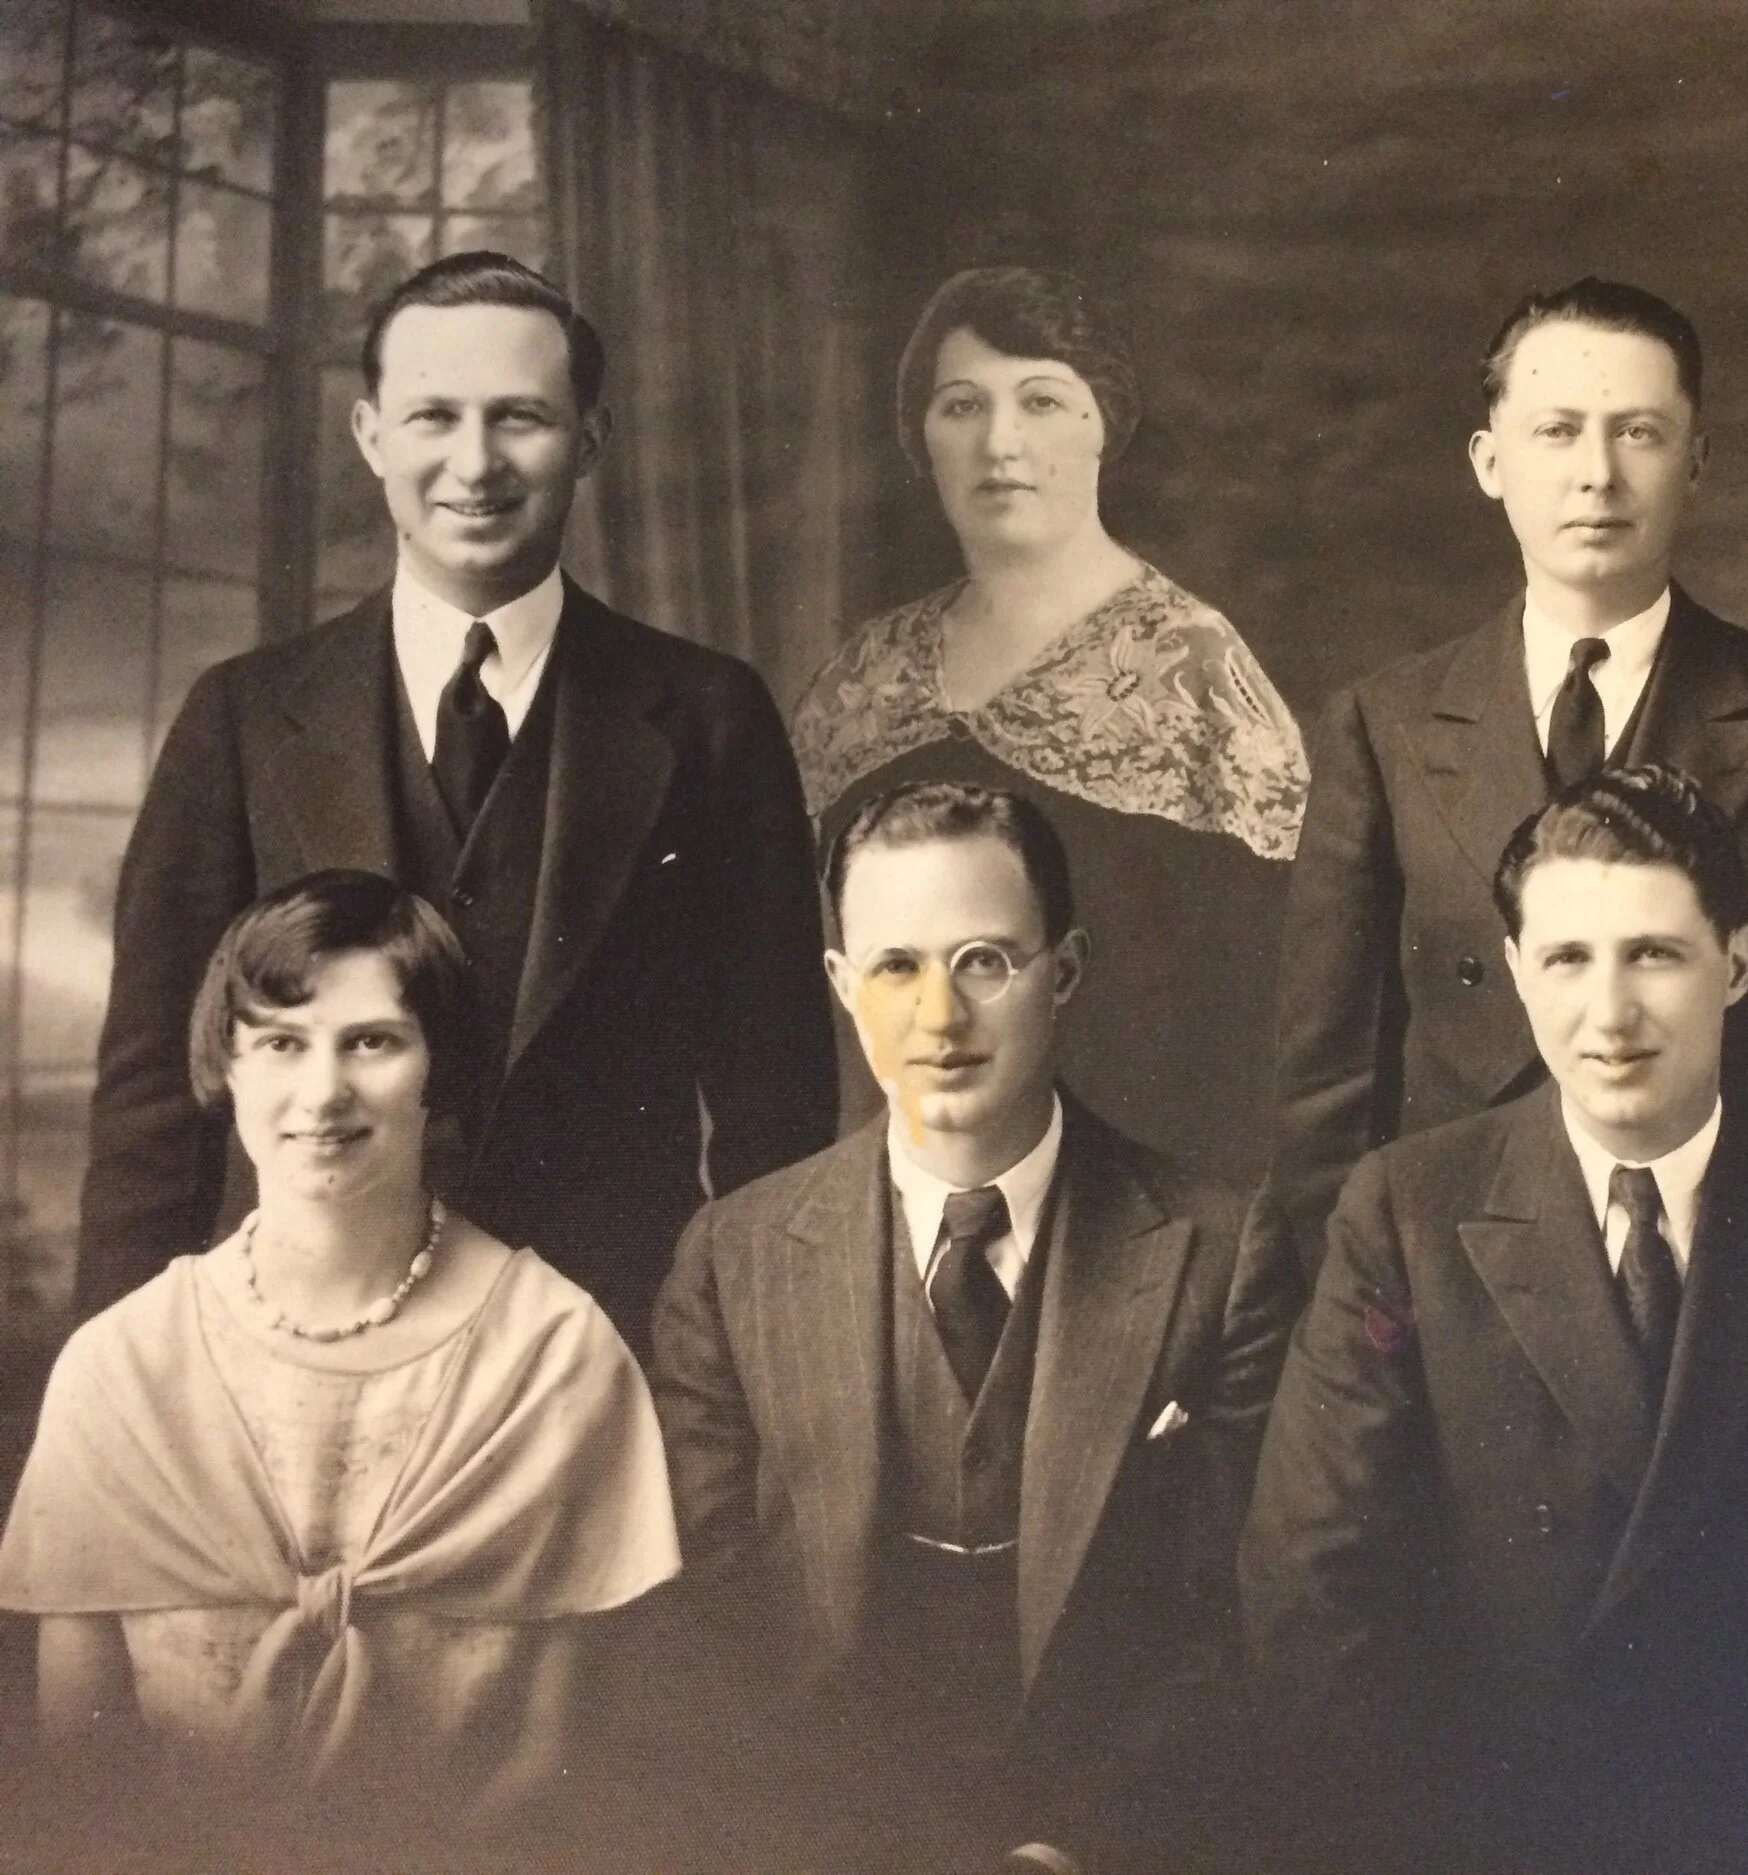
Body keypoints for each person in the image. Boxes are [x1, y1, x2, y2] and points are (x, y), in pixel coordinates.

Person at [78, 250, 837, 1352]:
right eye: (434, 416)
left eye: (519, 418)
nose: (474, 464)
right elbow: (155, 1100)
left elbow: (777, 1107)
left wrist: (756, 1375)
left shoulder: (709, 716)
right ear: (371, 435)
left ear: (587, 442)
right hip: (293, 1341)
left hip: (609, 1341)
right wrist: (119, 1384)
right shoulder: (241, 718)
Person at [1241, 764, 1748, 1874]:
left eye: (1654, 955)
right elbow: (1315, 1587)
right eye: (1567, 959)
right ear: (1517, 972)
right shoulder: (1407, 1214)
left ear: (1739, 966)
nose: (1608, 1015)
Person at [648, 779, 1298, 1875]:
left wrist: (1068, 1851)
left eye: (984, 962)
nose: (939, 1019)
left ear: (1066, 973)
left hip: (1104, 1839)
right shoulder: (734, 1258)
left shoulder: (1222, 1251)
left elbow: (1228, 1626)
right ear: (841, 987)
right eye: (896, 968)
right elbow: (713, 1619)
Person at [0, 871, 679, 1857]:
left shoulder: (554, 1353)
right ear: (226, 1064)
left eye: (372, 1041)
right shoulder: (126, 1367)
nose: (323, 1093)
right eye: (282, 1042)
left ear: (435, 1069)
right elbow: (81, 1763)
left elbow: (551, 1766)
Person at [1265, 275, 1748, 1278]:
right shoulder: (1383, 725)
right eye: (1557, 432)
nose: (1597, 477)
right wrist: (1349, 1307)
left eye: (1639, 434)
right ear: (1490, 462)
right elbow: (1328, 1086)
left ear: (1695, 461)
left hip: (1740, 1260)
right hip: (1459, 1265)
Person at [789, 266, 1307, 1191]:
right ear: (923, 441)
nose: (1001, 442)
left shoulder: (1194, 672)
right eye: (961, 407)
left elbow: (1265, 1018)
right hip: (898, 1184)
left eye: (1041, 402)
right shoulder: (866, 677)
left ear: (1105, 427)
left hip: (1148, 1197)